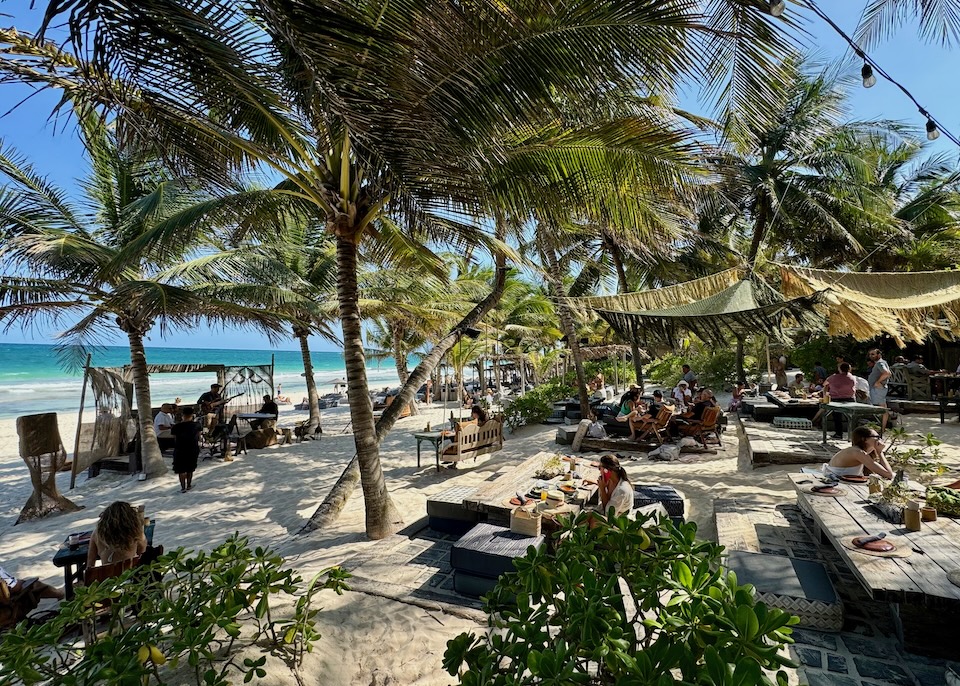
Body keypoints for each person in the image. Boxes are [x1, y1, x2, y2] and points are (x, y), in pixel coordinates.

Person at [86, 501, 147, 568]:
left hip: (108, 576)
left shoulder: (97, 534)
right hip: (129, 574)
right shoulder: (134, 532)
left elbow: (90, 565)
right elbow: (142, 553)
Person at [823, 426, 893, 479]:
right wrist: (880, 452)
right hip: (836, 482)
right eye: (877, 437)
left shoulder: (860, 451)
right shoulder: (857, 452)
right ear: (864, 439)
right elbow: (888, 475)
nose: (879, 439)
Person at [586, 455, 633, 519]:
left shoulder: (622, 490)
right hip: (608, 514)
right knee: (585, 516)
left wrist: (602, 489)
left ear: (606, 471)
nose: (599, 471)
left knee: (589, 518)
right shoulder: (610, 481)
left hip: (618, 521)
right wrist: (597, 483)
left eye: (600, 468)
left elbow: (608, 513)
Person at [171, 406, 202, 492]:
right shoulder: (197, 425)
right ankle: (189, 485)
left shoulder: (176, 427)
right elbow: (199, 437)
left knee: (181, 469)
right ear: (192, 415)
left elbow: (174, 438)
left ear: (182, 415)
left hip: (180, 448)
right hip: (193, 448)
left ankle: (183, 487)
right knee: (190, 468)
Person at [822, 363, 856, 438]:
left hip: (836, 399)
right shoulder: (852, 377)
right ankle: (853, 434)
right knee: (851, 417)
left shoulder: (833, 377)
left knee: (837, 416)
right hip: (850, 399)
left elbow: (824, 384)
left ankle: (838, 433)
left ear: (839, 369)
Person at [867, 348, 891, 431]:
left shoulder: (880, 363)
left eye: (873, 354)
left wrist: (878, 382)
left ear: (879, 355)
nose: (871, 356)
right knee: (883, 408)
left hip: (877, 389)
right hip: (877, 389)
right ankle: (882, 428)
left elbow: (887, 373)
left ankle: (881, 428)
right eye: (870, 354)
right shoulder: (879, 363)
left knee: (881, 409)